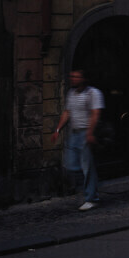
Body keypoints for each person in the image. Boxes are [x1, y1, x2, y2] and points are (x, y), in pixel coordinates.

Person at [53, 68, 103, 211]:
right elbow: (67, 112)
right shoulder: (71, 93)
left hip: (85, 133)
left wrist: (90, 133)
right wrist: (58, 129)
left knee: (87, 167)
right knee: (71, 165)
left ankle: (91, 198)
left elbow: (95, 113)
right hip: (74, 134)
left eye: (76, 77)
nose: (72, 79)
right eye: (71, 76)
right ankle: (91, 188)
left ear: (84, 79)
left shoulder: (93, 93)